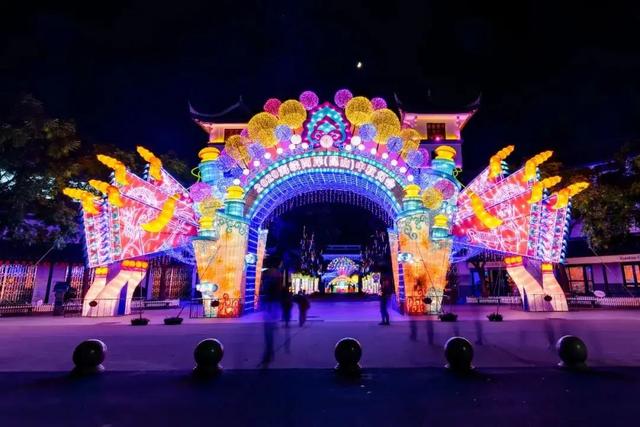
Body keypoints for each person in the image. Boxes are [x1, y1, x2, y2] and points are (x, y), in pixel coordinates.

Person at [259, 253, 283, 367]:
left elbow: (265, 289)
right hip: (273, 304)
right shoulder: (277, 274)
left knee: (268, 330)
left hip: (269, 304)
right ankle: (269, 352)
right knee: (269, 330)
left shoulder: (267, 273)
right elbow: (277, 290)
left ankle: (268, 353)